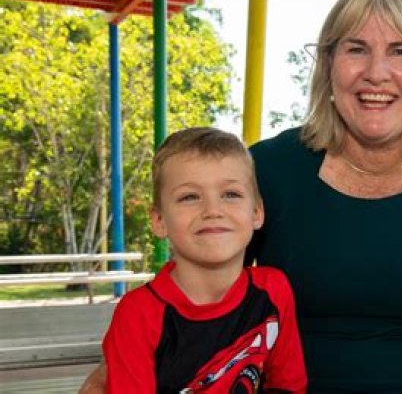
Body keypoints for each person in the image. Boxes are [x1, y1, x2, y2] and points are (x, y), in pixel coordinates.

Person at [81, 0, 402, 392]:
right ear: (328, 66)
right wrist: (108, 375)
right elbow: (192, 290)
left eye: (400, 51)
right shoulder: (268, 168)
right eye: (356, 49)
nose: (376, 72)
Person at [101, 127, 306, 393]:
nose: (212, 210)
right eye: (189, 197)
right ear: (159, 220)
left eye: (230, 194)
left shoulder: (273, 290)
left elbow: (288, 385)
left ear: (256, 212)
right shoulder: (137, 315)